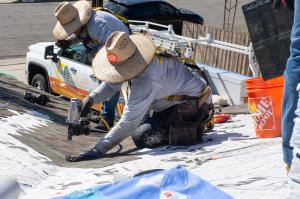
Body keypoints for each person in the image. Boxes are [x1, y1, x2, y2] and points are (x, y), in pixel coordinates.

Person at [65, 31, 213, 162]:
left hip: (194, 103)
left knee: (141, 136)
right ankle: (165, 122)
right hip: (172, 99)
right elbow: (112, 84)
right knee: (139, 123)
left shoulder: (147, 79)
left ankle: (188, 129)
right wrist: (90, 99)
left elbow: (128, 122)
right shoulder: (137, 60)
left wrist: (97, 150)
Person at [53, 0, 131, 131]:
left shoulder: (98, 25)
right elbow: (85, 36)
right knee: (103, 84)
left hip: (121, 49)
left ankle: (107, 120)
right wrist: (69, 42)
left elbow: (109, 49)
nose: (72, 32)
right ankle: (104, 115)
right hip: (105, 49)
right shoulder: (85, 26)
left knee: (110, 82)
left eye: (72, 29)